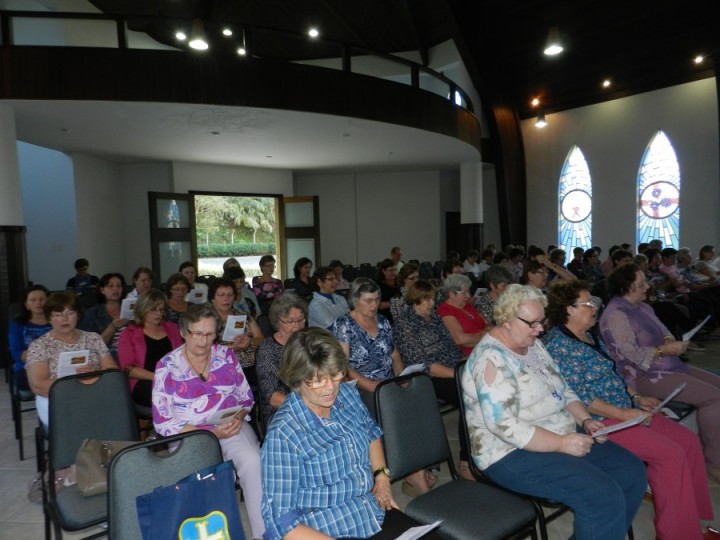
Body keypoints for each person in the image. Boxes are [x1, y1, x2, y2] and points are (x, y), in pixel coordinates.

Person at [461, 284, 647, 540]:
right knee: (600, 495)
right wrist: (561, 444)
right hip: (508, 452)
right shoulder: (491, 360)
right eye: (532, 323)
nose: (539, 329)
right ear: (505, 320)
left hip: (559, 431)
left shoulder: (532, 345)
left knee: (632, 472)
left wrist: (585, 419)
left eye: (541, 321)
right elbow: (504, 426)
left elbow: (564, 389)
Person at [545, 280, 716, 540]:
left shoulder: (589, 335)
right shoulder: (558, 346)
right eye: (588, 303)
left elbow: (613, 376)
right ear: (569, 309)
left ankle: (692, 519)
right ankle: (677, 534)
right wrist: (624, 414)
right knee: (669, 455)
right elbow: (578, 397)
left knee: (688, 441)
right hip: (600, 421)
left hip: (625, 408)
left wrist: (637, 397)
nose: (594, 307)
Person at [261, 327, 442, 540]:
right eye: (318, 380)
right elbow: (282, 522)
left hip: (371, 511)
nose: (330, 388)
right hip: (326, 529)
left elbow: (371, 434)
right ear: (297, 380)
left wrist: (382, 479)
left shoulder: (346, 394)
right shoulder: (284, 435)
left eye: (335, 374)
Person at [152, 303, 265, 539]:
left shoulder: (226, 355)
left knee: (254, 461)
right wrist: (209, 435)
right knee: (205, 479)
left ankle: (263, 534)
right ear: (184, 332)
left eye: (211, 334)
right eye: (198, 334)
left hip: (230, 426)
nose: (204, 341)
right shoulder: (167, 366)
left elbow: (246, 398)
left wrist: (239, 418)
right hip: (189, 434)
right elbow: (162, 421)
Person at [599, 263, 720, 482]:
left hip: (666, 364)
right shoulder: (615, 315)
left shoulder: (643, 307)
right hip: (642, 376)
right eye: (642, 283)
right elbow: (629, 354)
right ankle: (714, 461)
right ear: (628, 288)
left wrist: (671, 342)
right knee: (713, 397)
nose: (647, 286)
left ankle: (712, 440)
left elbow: (663, 332)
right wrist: (665, 349)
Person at [392, 280, 472, 479]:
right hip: (427, 378)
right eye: (425, 300)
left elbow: (452, 348)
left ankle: (478, 451)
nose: (430, 304)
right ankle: (465, 462)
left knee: (481, 389)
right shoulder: (405, 324)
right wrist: (457, 374)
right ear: (414, 300)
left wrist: (467, 365)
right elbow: (423, 364)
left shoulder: (434, 317)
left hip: (450, 368)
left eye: (432, 299)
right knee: (469, 397)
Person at [26, 292, 117, 426]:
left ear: (78, 315)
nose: (64, 319)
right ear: (49, 318)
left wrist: (96, 372)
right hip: (56, 399)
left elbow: (113, 373)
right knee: (80, 424)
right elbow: (39, 386)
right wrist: (78, 382)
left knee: (115, 418)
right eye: (58, 314)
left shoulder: (93, 338)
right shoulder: (39, 346)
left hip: (94, 395)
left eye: (70, 313)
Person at [118, 289, 183, 409]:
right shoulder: (128, 334)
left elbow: (182, 357)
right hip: (144, 381)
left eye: (161, 310)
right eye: (153, 310)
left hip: (173, 377)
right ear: (142, 309)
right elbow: (128, 369)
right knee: (172, 396)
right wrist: (158, 376)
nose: (158, 314)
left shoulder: (172, 328)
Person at [256, 293, 307, 426]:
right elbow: (273, 397)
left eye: (301, 320)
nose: (297, 326)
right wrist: (307, 406)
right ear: (277, 323)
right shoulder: (267, 349)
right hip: (283, 409)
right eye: (290, 321)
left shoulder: (309, 341)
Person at [209, 278, 264, 388]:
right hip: (218, 367)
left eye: (230, 295)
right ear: (212, 298)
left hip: (248, 367)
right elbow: (203, 347)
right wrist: (230, 348)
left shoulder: (243, 315)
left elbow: (260, 338)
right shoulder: (205, 319)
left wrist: (250, 342)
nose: (226, 299)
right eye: (221, 295)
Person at [8, 285, 51, 393]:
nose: (38, 303)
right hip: (28, 367)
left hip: (56, 364)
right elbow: (18, 355)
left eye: (42, 299)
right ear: (26, 305)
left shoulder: (58, 321)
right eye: (33, 300)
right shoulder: (18, 325)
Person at [79, 272, 129, 360]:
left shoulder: (131, 309)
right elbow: (90, 348)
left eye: (118, 286)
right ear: (102, 290)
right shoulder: (92, 313)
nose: (115, 289)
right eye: (111, 286)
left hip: (133, 354)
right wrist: (111, 328)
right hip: (108, 357)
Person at [437, 273, 487, 356]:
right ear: (452, 294)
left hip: (484, 348)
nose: (468, 296)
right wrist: (486, 337)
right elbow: (460, 339)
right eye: (464, 293)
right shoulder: (445, 310)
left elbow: (488, 324)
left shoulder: (467, 306)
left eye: (468, 291)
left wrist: (473, 337)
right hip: (470, 356)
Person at [376, 258, 400, 323]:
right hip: (384, 319)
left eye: (395, 270)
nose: (393, 273)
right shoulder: (377, 285)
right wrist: (394, 303)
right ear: (383, 271)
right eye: (390, 270)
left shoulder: (398, 284)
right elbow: (376, 305)